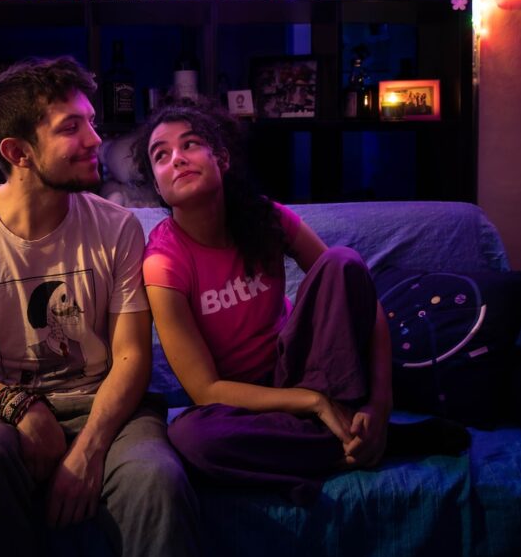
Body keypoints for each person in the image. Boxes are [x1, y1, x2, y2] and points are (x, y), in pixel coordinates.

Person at [0, 56, 200, 557]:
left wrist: (89, 450)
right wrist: (23, 409)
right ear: (17, 152)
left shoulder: (118, 227)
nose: (95, 139)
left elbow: (132, 356)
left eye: (91, 121)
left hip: (103, 403)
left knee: (157, 479)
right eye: (71, 127)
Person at [133, 100, 469, 504]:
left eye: (190, 144)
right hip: (240, 403)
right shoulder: (163, 263)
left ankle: (357, 432)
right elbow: (206, 390)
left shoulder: (266, 218)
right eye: (161, 155)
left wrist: (380, 405)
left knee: (343, 261)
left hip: (306, 368)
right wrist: (314, 403)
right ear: (157, 186)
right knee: (191, 439)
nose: (177, 158)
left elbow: (360, 296)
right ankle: (357, 443)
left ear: (221, 158)